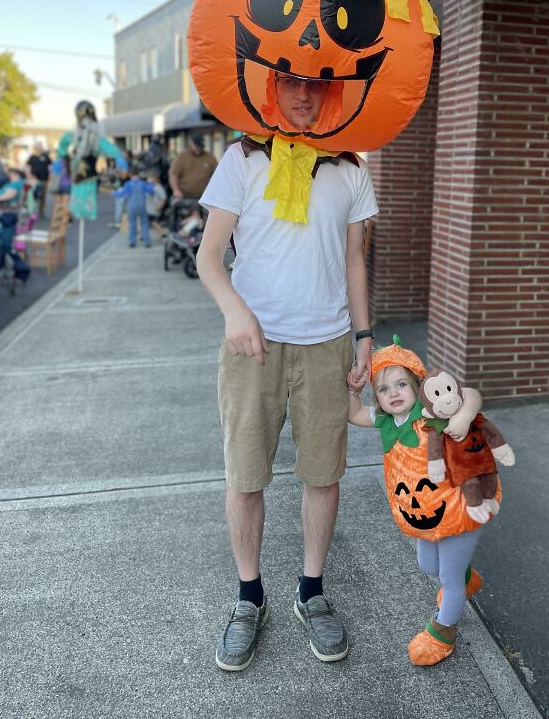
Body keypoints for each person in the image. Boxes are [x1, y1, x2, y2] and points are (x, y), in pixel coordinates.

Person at [196, 71, 378, 671]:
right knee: (246, 476)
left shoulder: (351, 169)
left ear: (333, 93)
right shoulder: (242, 159)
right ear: (271, 89)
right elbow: (209, 257)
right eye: (290, 82)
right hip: (255, 348)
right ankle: (249, 598)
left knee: (323, 475)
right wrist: (234, 312)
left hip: (327, 344)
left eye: (316, 85)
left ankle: (311, 591)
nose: (303, 94)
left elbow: (354, 261)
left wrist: (364, 338)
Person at [347, 341, 511, 667]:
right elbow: (352, 414)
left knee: (448, 580)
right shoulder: (384, 420)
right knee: (429, 566)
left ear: (418, 386)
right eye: (383, 389)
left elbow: (470, 394)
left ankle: (442, 632)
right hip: (424, 514)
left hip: (462, 507)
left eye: (401, 384)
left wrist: (464, 416)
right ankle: (466, 579)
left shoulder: (432, 412)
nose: (393, 393)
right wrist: (354, 389)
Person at [112, 167, 154, 248]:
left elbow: (121, 194)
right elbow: (151, 191)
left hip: (131, 206)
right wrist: (151, 183)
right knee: (144, 223)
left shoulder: (128, 184)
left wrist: (113, 193)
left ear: (130, 175)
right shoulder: (142, 183)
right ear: (138, 174)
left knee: (132, 224)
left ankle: (132, 242)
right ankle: (147, 242)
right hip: (142, 206)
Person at [169, 134, 217, 200]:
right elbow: (174, 174)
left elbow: (217, 176)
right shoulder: (182, 156)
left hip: (203, 197)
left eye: (200, 146)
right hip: (184, 197)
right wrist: (176, 190)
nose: (198, 148)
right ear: (191, 143)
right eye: (196, 146)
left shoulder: (210, 157)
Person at [26, 142, 52, 218]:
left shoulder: (46, 157)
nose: (38, 148)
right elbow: (28, 167)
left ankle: (41, 210)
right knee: (33, 195)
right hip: (34, 180)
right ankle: (32, 210)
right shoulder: (32, 157)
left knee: (43, 196)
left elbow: (50, 167)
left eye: (40, 146)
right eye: (37, 146)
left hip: (44, 179)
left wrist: (50, 177)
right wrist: (29, 176)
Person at [146, 172, 167, 238]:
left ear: (156, 179)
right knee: (150, 222)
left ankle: (163, 233)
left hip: (154, 209)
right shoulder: (152, 187)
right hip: (149, 209)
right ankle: (144, 235)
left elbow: (163, 198)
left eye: (152, 178)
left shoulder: (159, 188)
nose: (150, 180)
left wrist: (159, 207)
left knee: (153, 221)